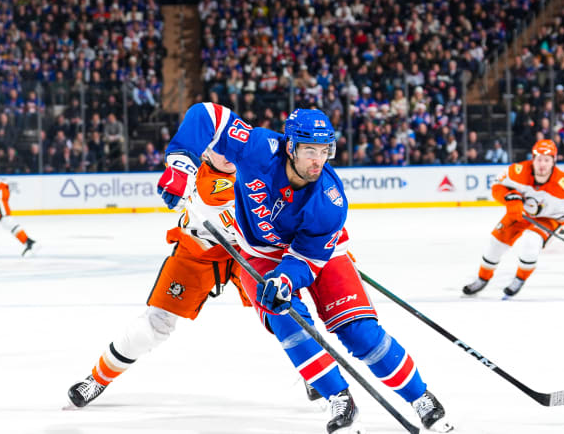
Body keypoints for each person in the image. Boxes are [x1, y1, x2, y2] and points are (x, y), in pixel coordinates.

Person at [157, 103, 453, 433]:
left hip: (317, 255)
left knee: (359, 332)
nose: (317, 159)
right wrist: (180, 165)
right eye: (309, 150)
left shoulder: (330, 200)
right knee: (288, 321)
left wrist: (286, 278)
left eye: (324, 150)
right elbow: (207, 115)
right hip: (261, 252)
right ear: (290, 146)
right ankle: (337, 396)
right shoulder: (258, 148)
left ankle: (420, 396)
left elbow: (308, 260)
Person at [67, 149, 254, 407]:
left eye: (230, 145)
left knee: (280, 311)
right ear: (207, 152)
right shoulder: (202, 178)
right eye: (218, 148)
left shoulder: (254, 166)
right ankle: (98, 379)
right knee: (155, 325)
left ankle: (312, 375)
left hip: (248, 250)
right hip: (196, 252)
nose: (228, 154)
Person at [462, 139, 564, 297]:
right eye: (539, 159)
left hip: (549, 218)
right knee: (495, 243)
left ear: (554, 161)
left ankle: (520, 279)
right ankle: (482, 278)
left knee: (531, 242)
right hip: (522, 213)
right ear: (533, 159)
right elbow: (497, 186)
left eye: (547, 160)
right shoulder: (518, 171)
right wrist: (510, 198)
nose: (542, 164)